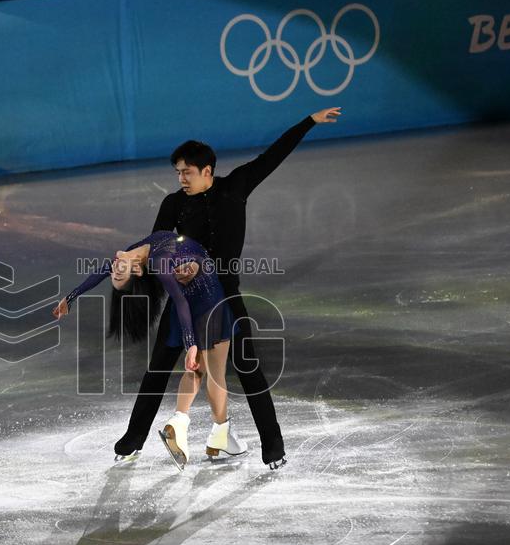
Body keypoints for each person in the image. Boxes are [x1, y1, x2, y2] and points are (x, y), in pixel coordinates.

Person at [112, 108, 343, 471]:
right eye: (177, 172)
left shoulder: (236, 185)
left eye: (187, 172)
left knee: (248, 367)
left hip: (227, 294)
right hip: (187, 297)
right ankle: (132, 441)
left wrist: (308, 121)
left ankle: (272, 446)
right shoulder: (173, 204)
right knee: (158, 368)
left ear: (208, 171)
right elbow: (159, 245)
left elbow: (273, 156)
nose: (181, 179)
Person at [52, 230, 246, 470]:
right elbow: (181, 301)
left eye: (116, 270)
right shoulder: (158, 262)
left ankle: (185, 423)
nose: (115, 267)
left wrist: (70, 298)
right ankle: (219, 433)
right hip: (208, 302)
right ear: (136, 271)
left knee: (199, 372)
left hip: (196, 302)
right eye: (119, 272)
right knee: (216, 374)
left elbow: (101, 271)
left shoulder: (137, 250)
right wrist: (191, 343)